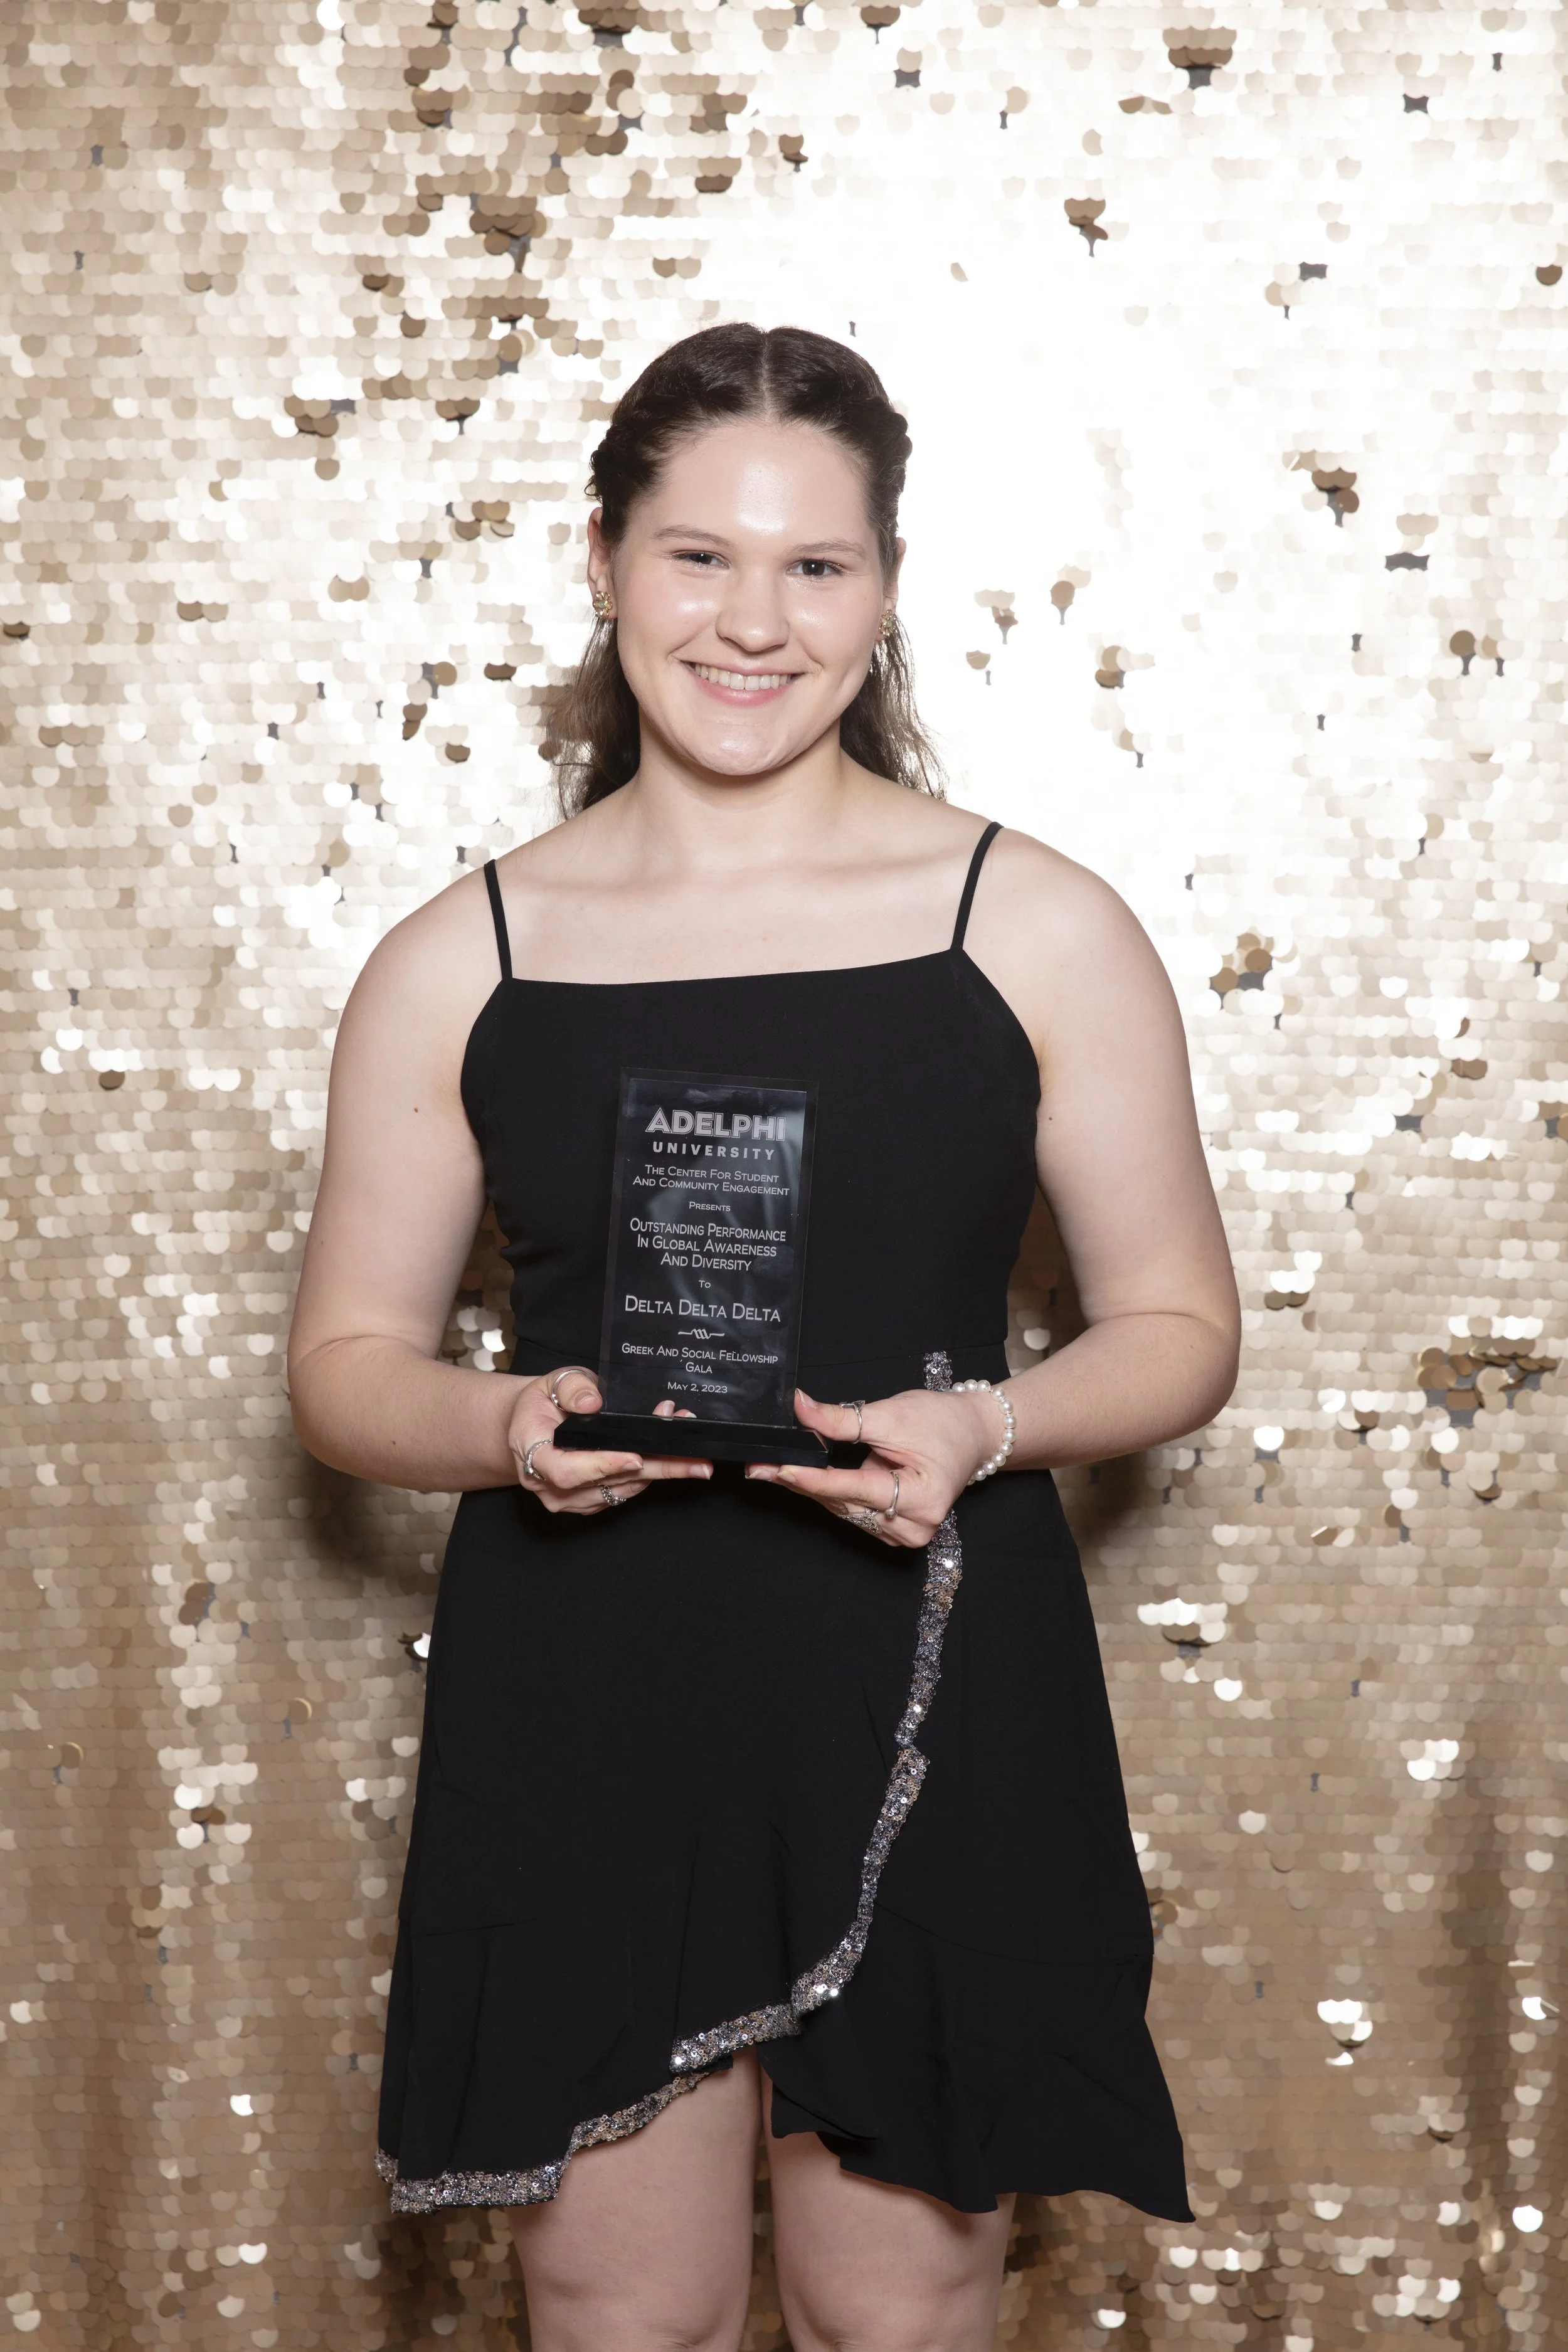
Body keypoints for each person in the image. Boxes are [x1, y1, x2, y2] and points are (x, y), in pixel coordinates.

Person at [287, 323, 1240, 2352]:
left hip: (927, 1649)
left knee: (898, 2287)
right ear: (611, 568)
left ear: (884, 588)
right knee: (610, 2300)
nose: (750, 619)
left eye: (813, 566)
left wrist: (984, 1422)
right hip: (591, 1685)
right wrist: (501, 1423)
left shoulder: (1031, 922)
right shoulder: (466, 952)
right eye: (697, 556)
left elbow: (1173, 1325)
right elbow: (346, 1365)